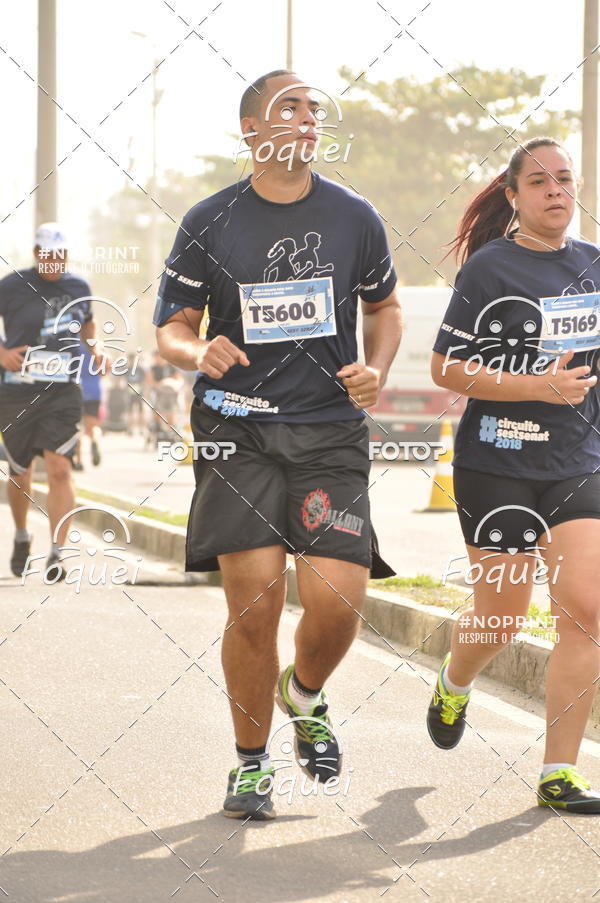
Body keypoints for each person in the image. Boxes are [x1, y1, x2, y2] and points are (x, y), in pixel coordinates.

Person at [153, 70, 402, 819]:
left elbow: (385, 307)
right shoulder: (209, 218)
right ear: (251, 131)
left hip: (328, 430)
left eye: (313, 109)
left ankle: (306, 693)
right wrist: (198, 352)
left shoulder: (355, 216)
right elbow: (169, 328)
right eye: (286, 107)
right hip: (236, 431)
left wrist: (377, 370)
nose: (305, 118)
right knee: (254, 607)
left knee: (337, 601)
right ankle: (251, 765)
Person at [428, 137, 600, 813]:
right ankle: (454, 678)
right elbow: (447, 368)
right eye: (539, 181)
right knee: (500, 621)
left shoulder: (593, 266)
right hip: (495, 463)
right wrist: (536, 387)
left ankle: (559, 771)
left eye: (564, 179)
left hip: (575, 465)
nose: (555, 190)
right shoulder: (490, 270)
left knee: (584, 611)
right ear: (514, 197)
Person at [0, 223, 106, 579]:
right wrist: (1, 354)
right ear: (36, 254)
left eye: (60, 256)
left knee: (60, 467)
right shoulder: (11, 285)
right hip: (17, 392)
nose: (54, 262)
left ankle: (58, 552)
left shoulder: (79, 287)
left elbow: (88, 325)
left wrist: (96, 349)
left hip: (62, 389)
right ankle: (21, 534)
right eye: (48, 255)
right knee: (20, 472)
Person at [73, 340, 104, 470]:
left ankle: (79, 461)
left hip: (76, 388)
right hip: (94, 389)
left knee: (77, 427)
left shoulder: (71, 344)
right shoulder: (97, 346)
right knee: (92, 425)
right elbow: (104, 370)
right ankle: (94, 441)